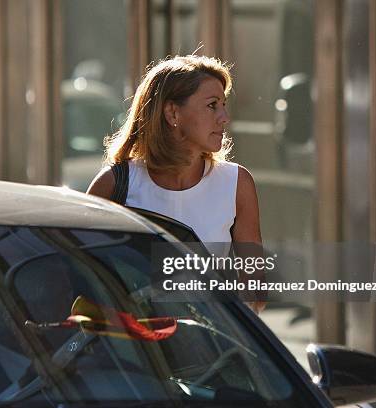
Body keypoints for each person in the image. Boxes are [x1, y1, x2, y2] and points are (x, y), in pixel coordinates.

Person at [86, 55, 266, 313]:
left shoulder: (236, 183)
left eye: (224, 105)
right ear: (172, 113)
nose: (225, 117)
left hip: (211, 348)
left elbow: (256, 290)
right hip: (138, 348)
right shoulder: (114, 184)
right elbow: (84, 277)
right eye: (212, 105)